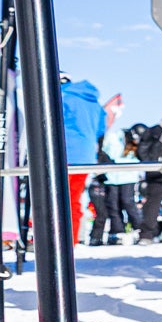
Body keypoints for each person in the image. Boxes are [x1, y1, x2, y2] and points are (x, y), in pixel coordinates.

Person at [58, 73, 105, 246]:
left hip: (63, 153)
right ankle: (71, 238)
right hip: (85, 156)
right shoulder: (95, 103)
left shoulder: (61, 96)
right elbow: (101, 130)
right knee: (74, 199)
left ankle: (57, 241)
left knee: (55, 198)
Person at [128, 121, 162, 244]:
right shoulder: (153, 135)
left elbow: (143, 156)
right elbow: (143, 156)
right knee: (156, 205)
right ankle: (148, 235)